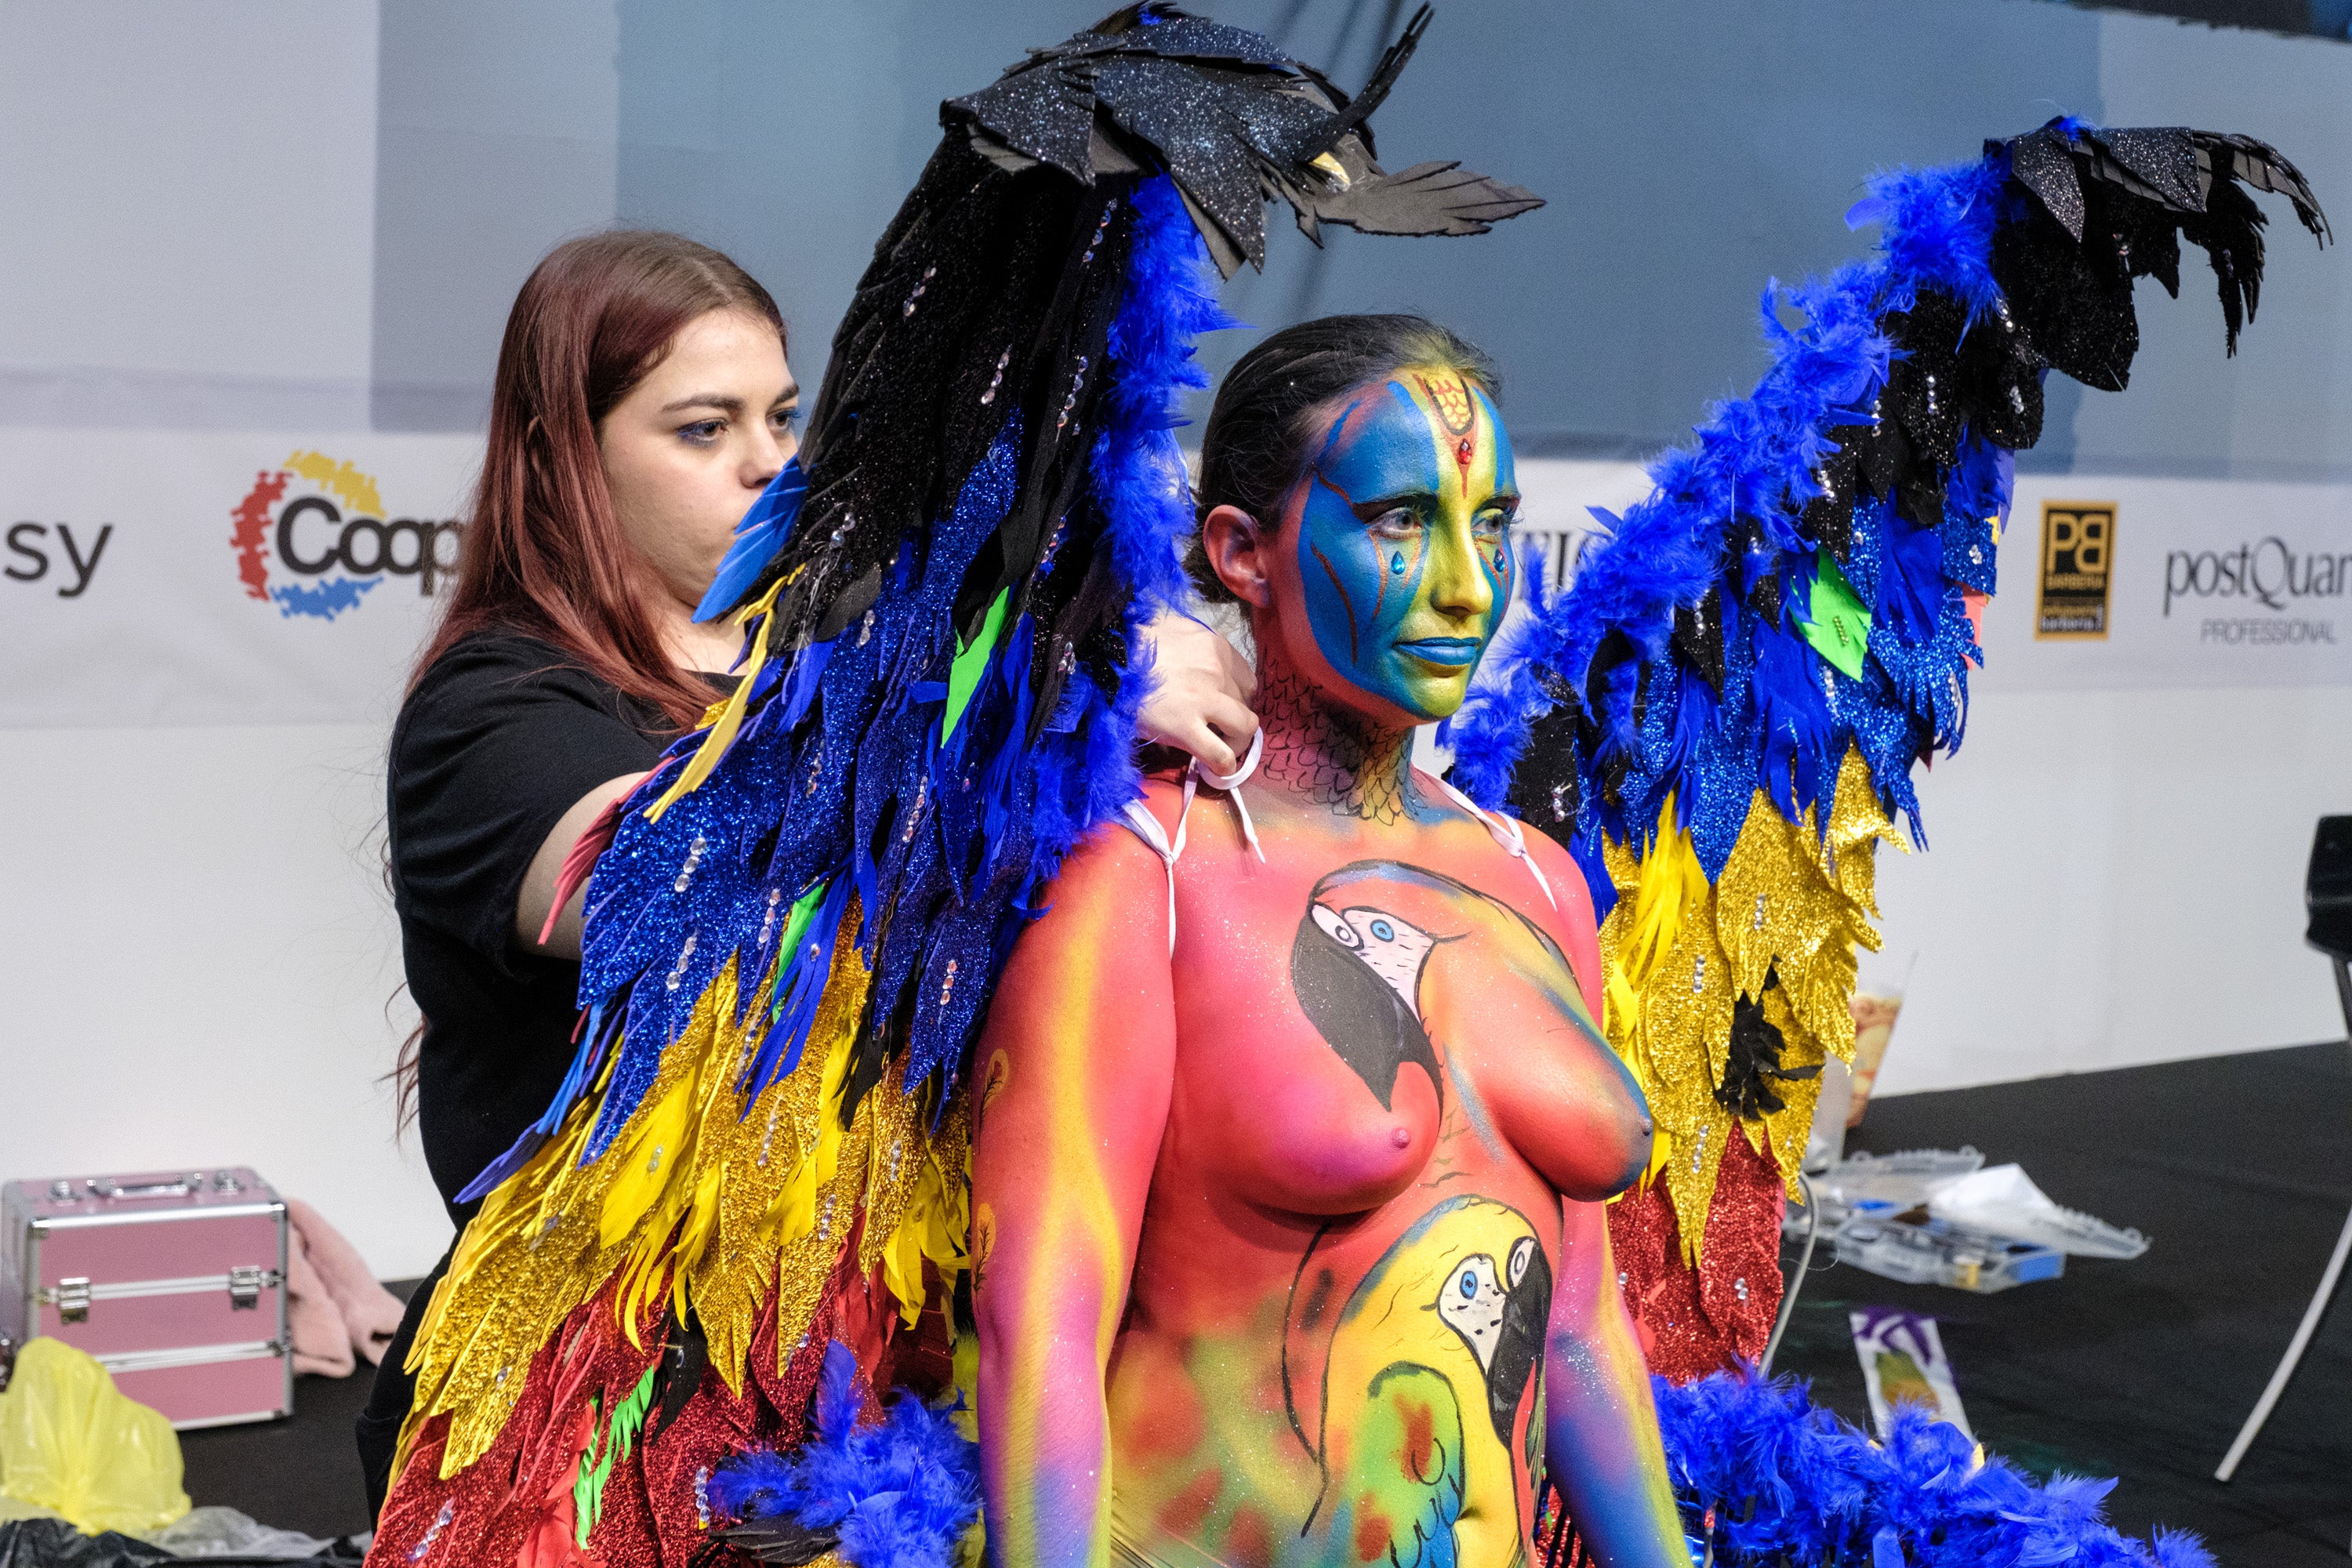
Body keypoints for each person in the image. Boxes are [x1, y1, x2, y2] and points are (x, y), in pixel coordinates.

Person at [357, 228, 1257, 1517]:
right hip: (580, 1429)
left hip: (850, 1396)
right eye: (703, 429)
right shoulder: (494, 710)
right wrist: (1056, 692)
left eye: (783, 416)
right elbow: (687, 885)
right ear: (570, 456)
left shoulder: (833, 666)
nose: (772, 462)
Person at [970, 316, 1689, 1568]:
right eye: (1402, 521)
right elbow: (1043, 1330)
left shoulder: (1539, 881)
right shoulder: (1145, 876)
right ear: (1244, 553)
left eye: (1495, 523)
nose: (1469, 584)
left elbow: (1577, 1324)